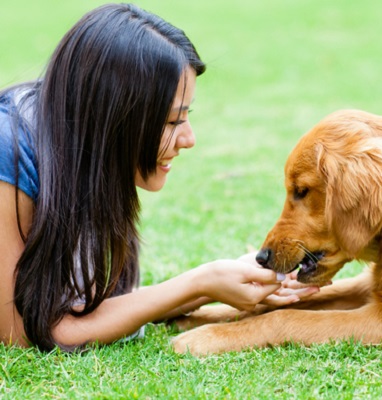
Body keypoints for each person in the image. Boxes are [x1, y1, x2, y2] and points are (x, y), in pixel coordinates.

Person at [0, 3, 317, 351]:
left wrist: (219, 281)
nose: (189, 139)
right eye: (171, 122)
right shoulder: (10, 153)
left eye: (185, 116)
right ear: (114, 118)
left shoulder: (79, 152)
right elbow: (20, 333)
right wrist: (200, 282)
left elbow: (86, 311)